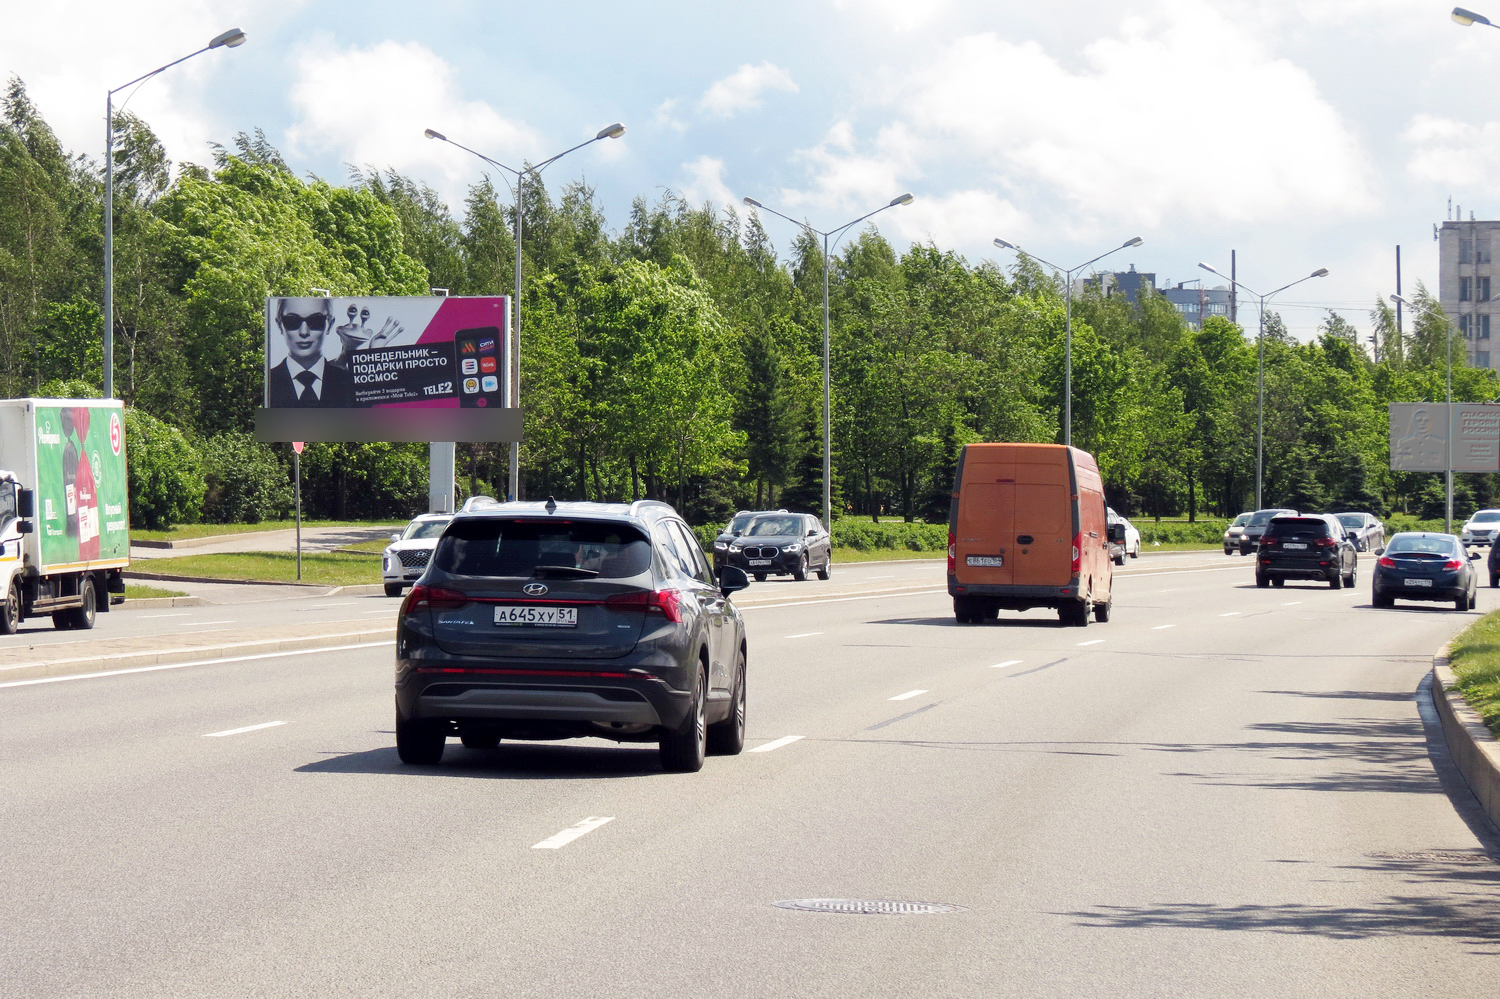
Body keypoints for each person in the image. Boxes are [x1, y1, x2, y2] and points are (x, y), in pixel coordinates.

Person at [267, 297, 356, 407]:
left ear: (330, 324)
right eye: (292, 321)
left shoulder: (350, 382)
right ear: (279, 325)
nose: (304, 332)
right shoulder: (268, 382)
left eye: (315, 321)